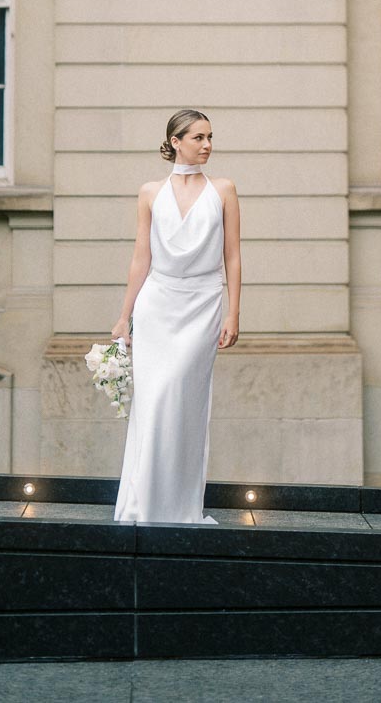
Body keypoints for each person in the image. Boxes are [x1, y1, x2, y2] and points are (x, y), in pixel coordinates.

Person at [112, 108, 242, 524]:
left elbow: (234, 257)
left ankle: (180, 507)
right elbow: (140, 258)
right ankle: (143, 504)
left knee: (183, 403)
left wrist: (233, 314)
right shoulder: (150, 191)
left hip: (203, 305)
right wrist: (124, 316)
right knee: (154, 402)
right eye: (198, 137)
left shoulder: (224, 189)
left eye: (209, 137)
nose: (207, 145)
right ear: (175, 142)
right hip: (157, 304)